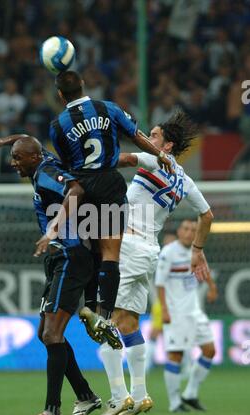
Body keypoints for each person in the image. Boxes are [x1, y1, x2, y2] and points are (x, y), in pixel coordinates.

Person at [0, 134, 103, 415]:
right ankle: (85, 396)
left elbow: (76, 188)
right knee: (45, 334)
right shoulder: (40, 160)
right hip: (60, 259)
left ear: (32, 158)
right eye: (13, 157)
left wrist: (54, 229)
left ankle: (52, 411)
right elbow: (24, 138)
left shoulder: (45, 173)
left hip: (70, 255)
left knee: (52, 333)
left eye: (18, 158)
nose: (13, 162)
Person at [93, 111, 214, 415]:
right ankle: (141, 393)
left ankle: (119, 397)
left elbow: (117, 159)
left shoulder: (152, 160)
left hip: (129, 246)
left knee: (103, 321)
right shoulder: (184, 179)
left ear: (168, 145)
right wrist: (198, 251)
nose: (148, 137)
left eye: (155, 135)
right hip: (149, 251)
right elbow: (208, 215)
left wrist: (89, 155)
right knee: (129, 323)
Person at [50, 71, 173, 343]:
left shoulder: (57, 126)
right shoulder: (108, 108)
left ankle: (91, 306)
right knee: (110, 253)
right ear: (83, 85)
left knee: (92, 249)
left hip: (81, 188)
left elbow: (67, 163)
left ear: (60, 95)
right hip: (109, 183)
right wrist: (160, 154)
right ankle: (105, 316)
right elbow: (137, 135)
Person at [155, 219, 217, 412]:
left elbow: (203, 269)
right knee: (176, 354)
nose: (190, 233)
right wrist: (164, 309)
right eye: (186, 229)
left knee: (210, 350)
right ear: (179, 232)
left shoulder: (196, 251)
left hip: (194, 311)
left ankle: (190, 393)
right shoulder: (168, 253)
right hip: (176, 312)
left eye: (193, 229)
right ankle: (174, 403)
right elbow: (160, 283)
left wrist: (212, 287)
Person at [145, 231, 177, 371]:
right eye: (166, 243)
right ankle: (146, 366)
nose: (168, 245)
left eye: (171, 243)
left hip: (177, 303)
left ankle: (186, 367)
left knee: (178, 336)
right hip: (161, 301)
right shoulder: (158, 259)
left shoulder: (181, 259)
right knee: (155, 332)